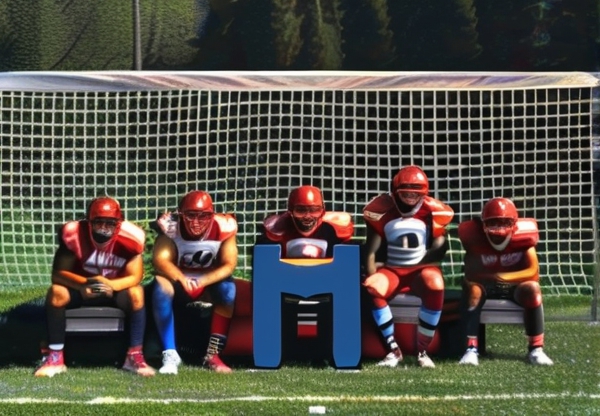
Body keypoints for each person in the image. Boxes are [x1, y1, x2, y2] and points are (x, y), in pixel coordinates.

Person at [34, 196, 155, 377]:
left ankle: (134, 356)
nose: (104, 228)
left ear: (119, 224)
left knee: (137, 293)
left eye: (110, 223)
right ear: (89, 222)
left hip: (115, 290)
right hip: (81, 288)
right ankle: (55, 357)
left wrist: (112, 285)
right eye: (99, 222)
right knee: (56, 292)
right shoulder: (75, 235)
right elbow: (58, 274)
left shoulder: (131, 239)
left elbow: (135, 276)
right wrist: (83, 284)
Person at [362, 165, 454, 368]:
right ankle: (393, 349)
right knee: (372, 286)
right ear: (395, 191)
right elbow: (371, 250)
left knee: (435, 283)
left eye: (416, 192)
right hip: (392, 269)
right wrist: (371, 273)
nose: (411, 196)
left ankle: (422, 350)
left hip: (420, 270)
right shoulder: (381, 210)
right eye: (406, 192)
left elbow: (439, 249)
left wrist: (422, 262)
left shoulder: (433, 211)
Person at [255, 185, 354, 358]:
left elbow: (346, 269)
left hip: (324, 288)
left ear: (322, 211)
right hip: (287, 288)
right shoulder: (274, 232)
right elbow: (264, 272)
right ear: (290, 211)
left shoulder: (333, 231)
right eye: (301, 210)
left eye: (314, 210)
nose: (308, 217)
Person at [457, 197, 553, 366]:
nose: (499, 227)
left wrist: (502, 277)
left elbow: (533, 271)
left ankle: (536, 349)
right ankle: (471, 349)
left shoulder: (524, 238)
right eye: (493, 222)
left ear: (514, 224)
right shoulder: (475, 237)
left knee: (533, 289)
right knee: (473, 291)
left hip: (515, 286)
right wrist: (489, 278)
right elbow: (470, 273)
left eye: (504, 222)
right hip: (484, 285)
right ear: (483, 224)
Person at [152, 190, 238, 374]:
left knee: (228, 291)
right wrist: (182, 278)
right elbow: (160, 260)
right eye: (191, 215)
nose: (196, 222)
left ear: (212, 215)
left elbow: (229, 265)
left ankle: (213, 354)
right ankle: (170, 352)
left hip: (208, 280)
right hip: (177, 279)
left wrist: (203, 281)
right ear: (181, 214)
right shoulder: (171, 226)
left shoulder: (224, 227)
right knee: (161, 289)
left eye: (203, 216)